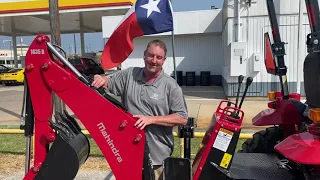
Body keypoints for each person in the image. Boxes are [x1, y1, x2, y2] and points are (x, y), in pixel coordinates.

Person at [92, 39, 188, 179]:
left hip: (156, 157)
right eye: (151, 55)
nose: (154, 60)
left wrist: (151, 120)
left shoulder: (170, 86)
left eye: (159, 57)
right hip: (128, 154)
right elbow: (108, 81)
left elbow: (182, 117)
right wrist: (99, 78)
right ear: (144, 55)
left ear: (164, 60)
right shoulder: (129, 75)